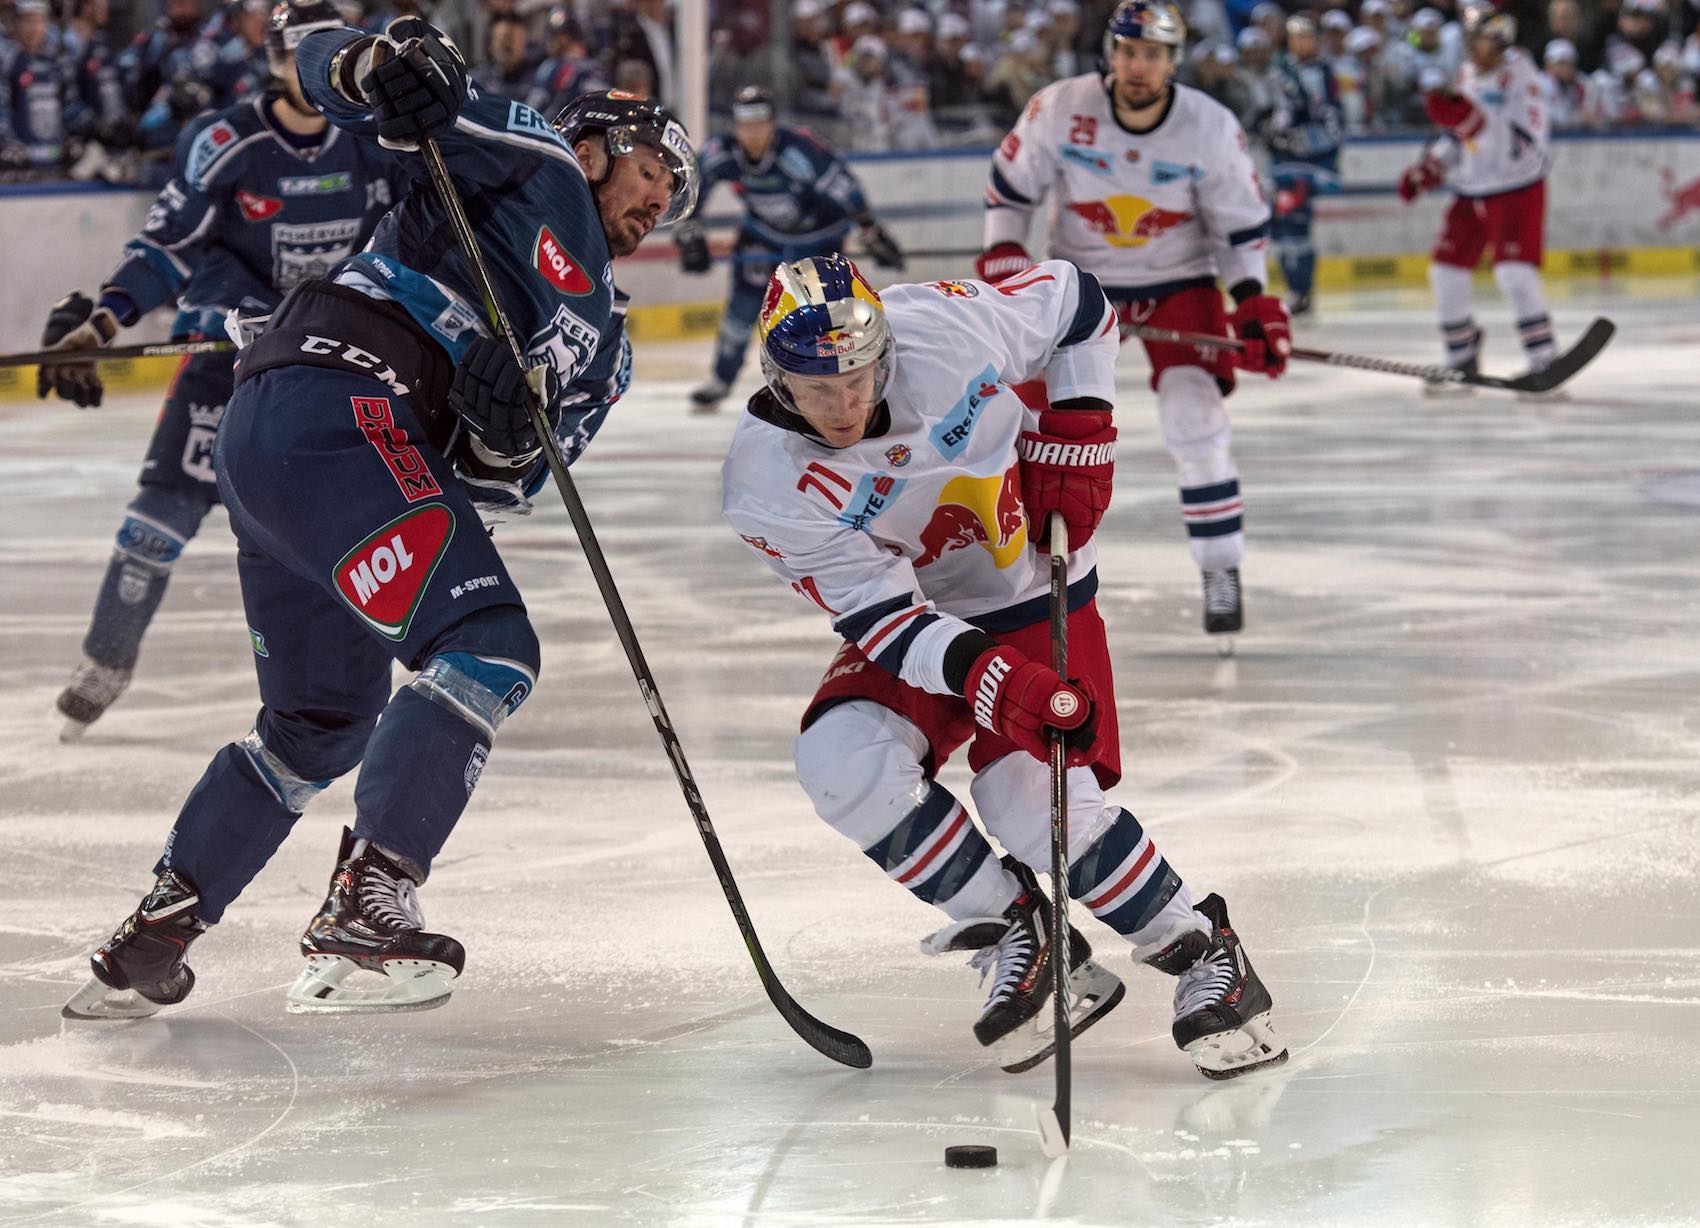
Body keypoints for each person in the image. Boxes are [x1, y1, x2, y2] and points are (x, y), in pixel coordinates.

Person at [60, 20, 698, 1020]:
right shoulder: (532, 159)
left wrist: (500, 436)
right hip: (340, 402)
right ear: (593, 145)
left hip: (310, 451)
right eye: (652, 168)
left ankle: (160, 927)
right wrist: (374, 65)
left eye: (674, 194)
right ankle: (369, 893)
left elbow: (513, 484)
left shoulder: (607, 351)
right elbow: (351, 79)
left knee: (318, 725)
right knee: (489, 646)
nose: (660, 199)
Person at [720, 253, 1287, 1080]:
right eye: (816, 390)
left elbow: (1078, 304)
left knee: (1029, 802)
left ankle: (1202, 947)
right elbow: (885, 619)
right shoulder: (766, 481)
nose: (843, 406)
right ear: (778, 381)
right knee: (842, 761)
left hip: (1032, 579)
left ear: (884, 351)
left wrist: (1082, 428)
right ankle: (1023, 931)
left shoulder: (945, 326)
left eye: (858, 379)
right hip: (925, 616)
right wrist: (993, 680)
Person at [40, 0, 414, 742]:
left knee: (355, 531)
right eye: (306, 54)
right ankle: (105, 662)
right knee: (159, 519)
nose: (325, 68)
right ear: (274, 60)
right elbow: (165, 247)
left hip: (329, 371)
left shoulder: (372, 142)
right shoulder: (224, 141)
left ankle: (373, 681)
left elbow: (419, 236)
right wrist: (104, 319)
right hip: (227, 366)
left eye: (337, 50)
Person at [979, 0, 1290, 646]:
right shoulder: (1060, 106)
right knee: (1033, 421)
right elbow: (1011, 188)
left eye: (1152, 54)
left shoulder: (1209, 126)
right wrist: (1003, 249)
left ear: (1173, 61)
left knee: (1194, 414)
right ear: (1111, 54)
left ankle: (1220, 566)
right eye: (1128, 52)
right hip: (1082, 288)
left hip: (1180, 282)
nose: (1138, 66)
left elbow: (1240, 228)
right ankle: (1019, 572)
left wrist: (1252, 302)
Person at [674, 85, 903, 412]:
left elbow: (844, 188)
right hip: (763, 236)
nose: (752, 133)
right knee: (742, 306)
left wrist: (871, 230)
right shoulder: (721, 152)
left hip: (818, 238)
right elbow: (693, 186)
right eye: (744, 125)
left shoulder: (800, 152)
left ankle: (834, 380)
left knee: (825, 316)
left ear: (771, 122)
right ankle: (721, 380)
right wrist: (689, 231)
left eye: (759, 123)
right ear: (735, 126)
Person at [1397, 5, 1559, 394]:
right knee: (1445, 272)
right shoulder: (1467, 73)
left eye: (1481, 39)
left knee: (1514, 273)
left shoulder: (1521, 76)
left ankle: (1544, 357)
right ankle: (1461, 355)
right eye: (1471, 39)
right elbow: (1460, 134)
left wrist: (1468, 121)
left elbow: (1516, 138)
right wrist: (1432, 168)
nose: (1473, 47)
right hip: (1472, 190)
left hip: (1516, 188)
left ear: (1500, 41)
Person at [1264, 15, 1344, 317]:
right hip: (1283, 162)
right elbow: (1277, 113)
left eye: (1306, 36)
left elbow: (1331, 123)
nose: (1300, 43)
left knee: (1296, 223)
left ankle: (1301, 291)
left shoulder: (1321, 72)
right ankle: (1297, 290)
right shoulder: (1281, 69)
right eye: (1295, 37)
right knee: (1281, 227)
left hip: (1307, 163)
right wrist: (1270, 130)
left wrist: (1296, 139)